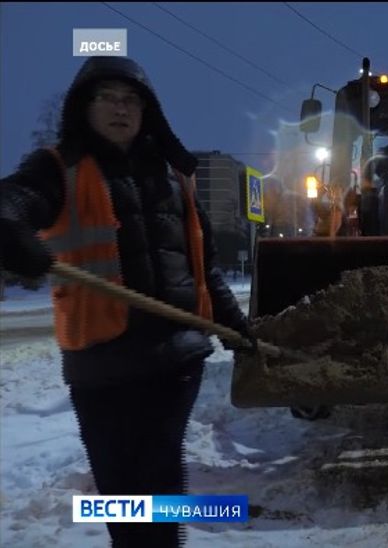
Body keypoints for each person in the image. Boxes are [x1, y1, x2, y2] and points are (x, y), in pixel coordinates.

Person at [0, 56, 253, 547]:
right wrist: (13, 233)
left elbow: (203, 266)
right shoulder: (60, 169)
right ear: (83, 107)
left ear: (148, 108)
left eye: (131, 99)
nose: (122, 109)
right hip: (101, 364)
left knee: (157, 474)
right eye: (108, 98)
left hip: (175, 357)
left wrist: (237, 327)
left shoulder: (174, 174)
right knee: (121, 487)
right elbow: (10, 204)